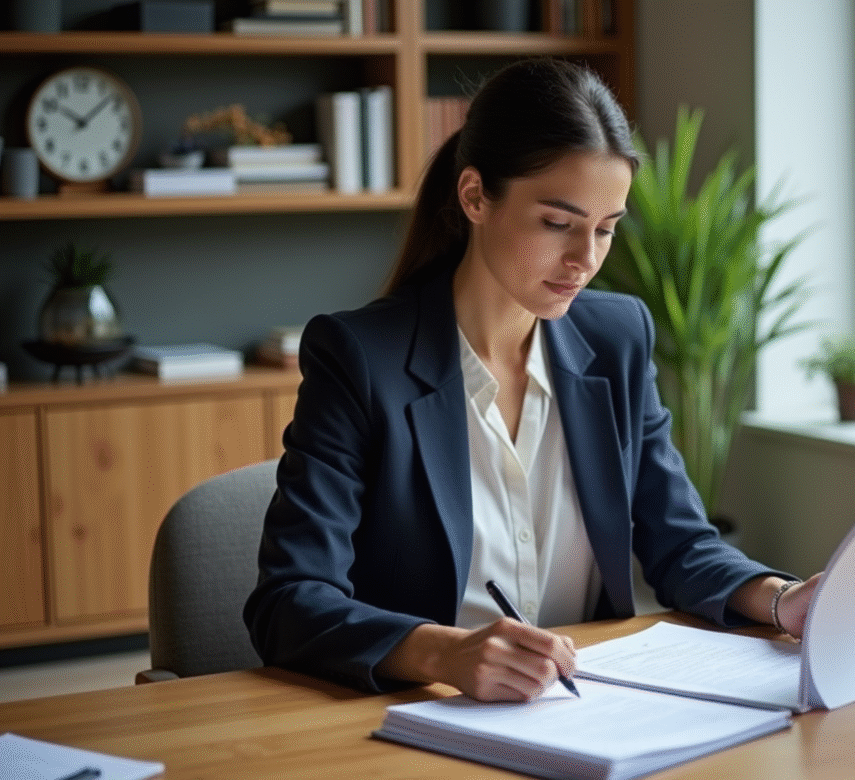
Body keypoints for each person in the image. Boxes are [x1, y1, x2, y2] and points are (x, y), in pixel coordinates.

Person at [243, 58, 820, 702]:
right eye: (557, 223)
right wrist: (448, 653)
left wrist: (785, 603)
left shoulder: (617, 339)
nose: (586, 259)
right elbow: (290, 601)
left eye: (605, 229)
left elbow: (680, 542)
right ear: (474, 197)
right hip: (419, 716)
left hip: (584, 713)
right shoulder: (359, 357)